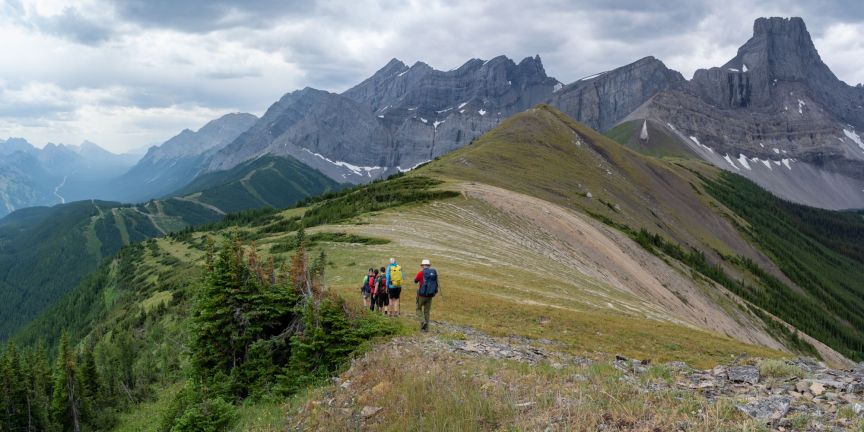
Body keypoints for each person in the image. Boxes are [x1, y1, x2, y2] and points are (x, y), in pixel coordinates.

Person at [414, 259, 439, 332]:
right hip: (430, 295)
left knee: (418, 309)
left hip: (422, 294)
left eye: (422, 265)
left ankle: (422, 321)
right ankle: (426, 329)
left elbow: (415, 281)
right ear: (429, 266)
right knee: (427, 311)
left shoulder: (421, 273)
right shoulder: (433, 273)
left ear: (423, 266)